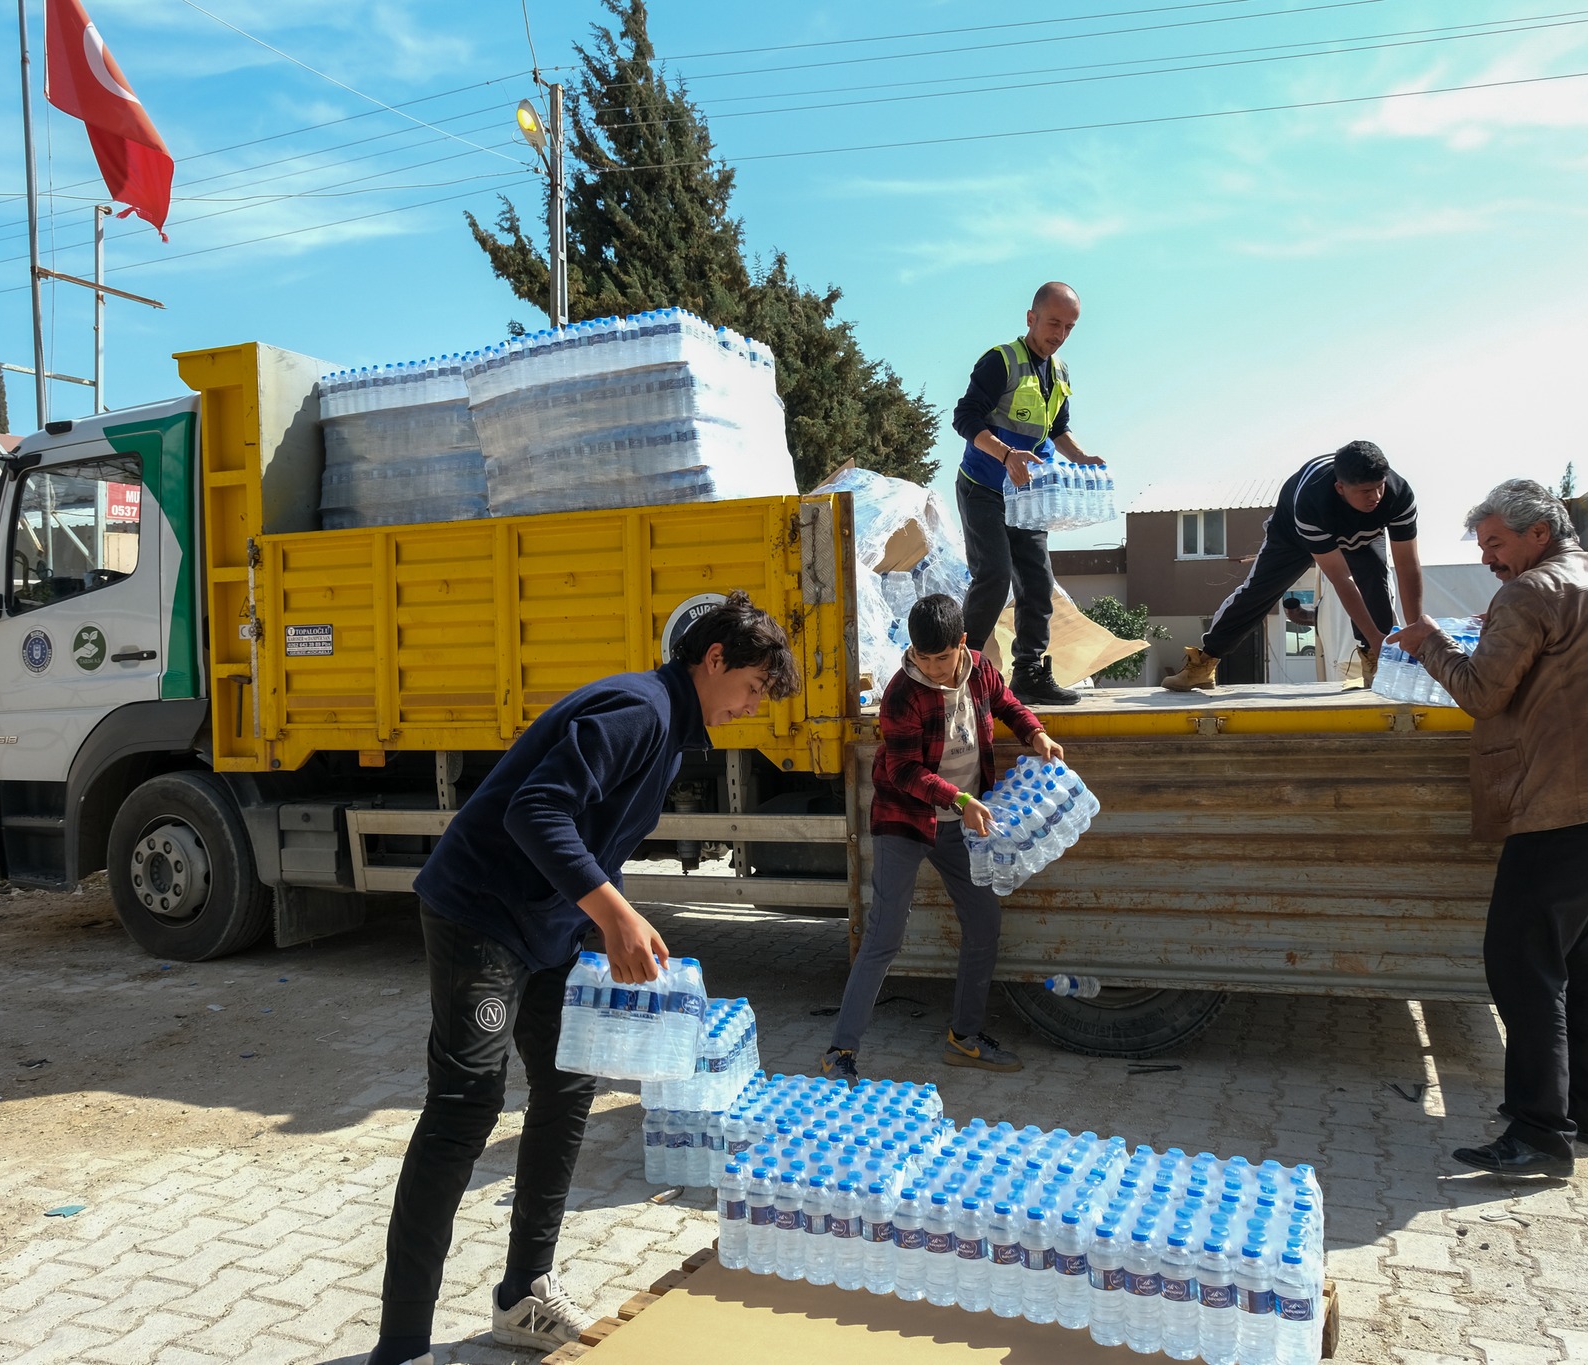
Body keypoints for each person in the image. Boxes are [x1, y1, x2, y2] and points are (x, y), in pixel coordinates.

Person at [366, 592, 802, 1365]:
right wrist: (613, 915)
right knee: (464, 1109)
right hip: (480, 915)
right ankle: (401, 1345)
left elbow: (592, 838)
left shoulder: (671, 729)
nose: (752, 707)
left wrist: (613, 926)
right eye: (753, 688)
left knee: (568, 1084)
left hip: (546, 928)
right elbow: (535, 813)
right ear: (713, 660)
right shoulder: (638, 710)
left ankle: (524, 1293)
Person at [1390, 479, 1588, 1177]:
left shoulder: (1531, 592)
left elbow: (1484, 692)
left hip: (1566, 801)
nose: (1489, 557)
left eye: (1496, 542)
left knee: (1522, 963)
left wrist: (1429, 643)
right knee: (1581, 961)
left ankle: (1539, 1134)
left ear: (1537, 534)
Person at [820, 593, 1061, 1084]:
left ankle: (964, 1039)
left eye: (942, 657)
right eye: (922, 657)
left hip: (961, 826)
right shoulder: (902, 694)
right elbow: (903, 770)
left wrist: (1035, 734)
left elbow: (1008, 703)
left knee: (984, 925)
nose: (932, 667)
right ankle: (839, 1052)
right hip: (905, 823)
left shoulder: (980, 669)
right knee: (884, 937)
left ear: (963, 645)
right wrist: (961, 801)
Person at [953, 280, 1107, 708]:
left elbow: (1057, 429)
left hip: (1029, 496)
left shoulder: (1059, 372)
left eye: (1069, 327)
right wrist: (1005, 455)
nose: (1059, 334)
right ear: (1031, 318)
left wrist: (1080, 456)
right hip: (984, 486)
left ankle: (1029, 673)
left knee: (1038, 584)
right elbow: (964, 417)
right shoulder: (1000, 361)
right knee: (995, 575)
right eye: (1053, 323)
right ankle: (962, 671)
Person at [1162, 440, 1422, 690]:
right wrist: (1377, 638)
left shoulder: (1398, 495)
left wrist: (1415, 629)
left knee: (1376, 579)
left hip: (1363, 533)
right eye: (1366, 491)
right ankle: (1204, 664)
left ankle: (1375, 663)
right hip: (1293, 535)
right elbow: (1342, 580)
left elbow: (1408, 565)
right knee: (1259, 592)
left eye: (1380, 486)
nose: (1376, 496)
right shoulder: (1312, 499)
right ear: (1340, 487)